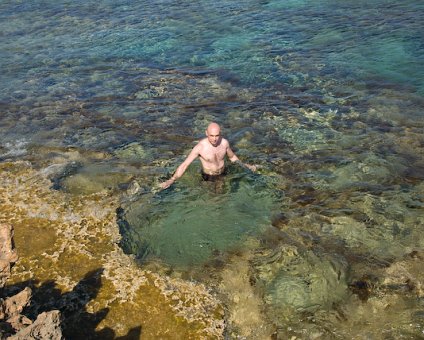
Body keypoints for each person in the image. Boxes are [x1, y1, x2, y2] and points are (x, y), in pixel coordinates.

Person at [159, 122, 256, 189]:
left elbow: (232, 157)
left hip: (223, 173)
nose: (214, 139)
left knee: (222, 197)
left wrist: (246, 166)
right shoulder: (200, 147)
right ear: (206, 133)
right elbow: (185, 164)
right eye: (211, 136)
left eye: (217, 135)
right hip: (208, 177)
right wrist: (172, 180)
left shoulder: (224, 143)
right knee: (210, 199)